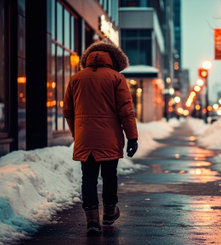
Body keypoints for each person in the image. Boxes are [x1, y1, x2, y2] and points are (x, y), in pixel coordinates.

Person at [63, 41, 138, 235]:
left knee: (88, 178)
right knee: (109, 176)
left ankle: (92, 220)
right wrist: (132, 137)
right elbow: (126, 111)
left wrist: (76, 132)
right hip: (109, 138)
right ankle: (109, 213)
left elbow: (67, 111)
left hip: (84, 138)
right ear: (113, 59)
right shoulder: (116, 78)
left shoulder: (76, 78)